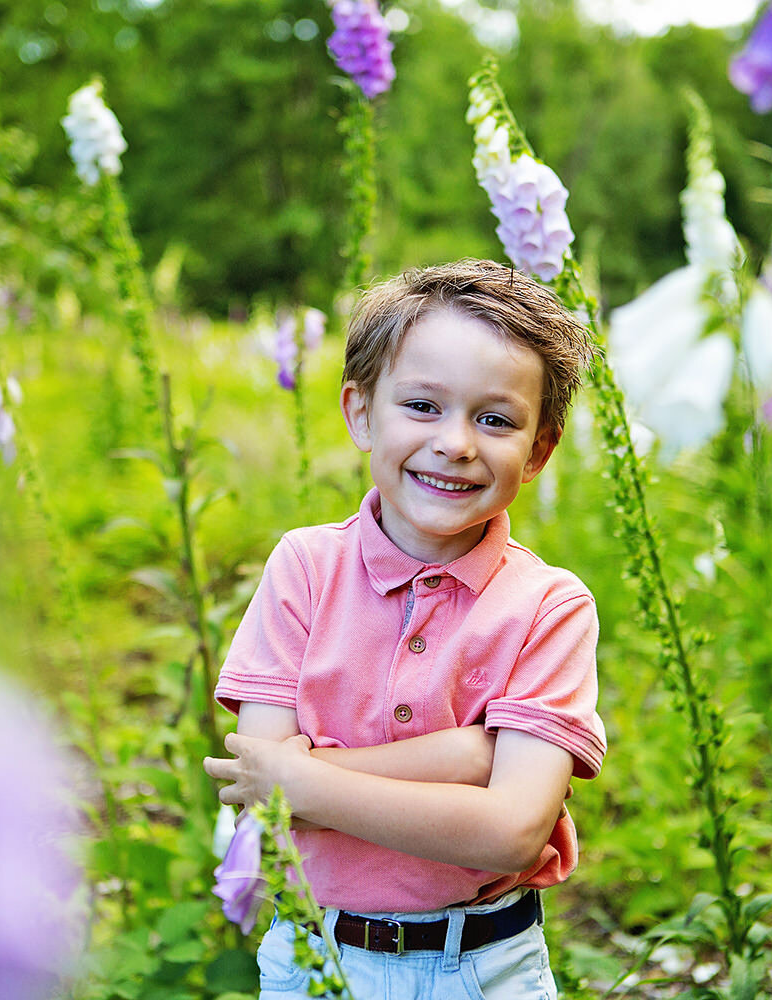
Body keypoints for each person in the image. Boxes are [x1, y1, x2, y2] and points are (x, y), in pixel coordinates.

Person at [203, 258, 606, 999]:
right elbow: (261, 780)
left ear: (539, 449)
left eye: (495, 419)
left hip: (485, 965)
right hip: (317, 957)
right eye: (423, 406)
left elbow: (512, 831)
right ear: (361, 413)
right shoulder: (304, 568)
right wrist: (464, 755)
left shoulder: (550, 606)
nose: (456, 443)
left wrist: (304, 776)